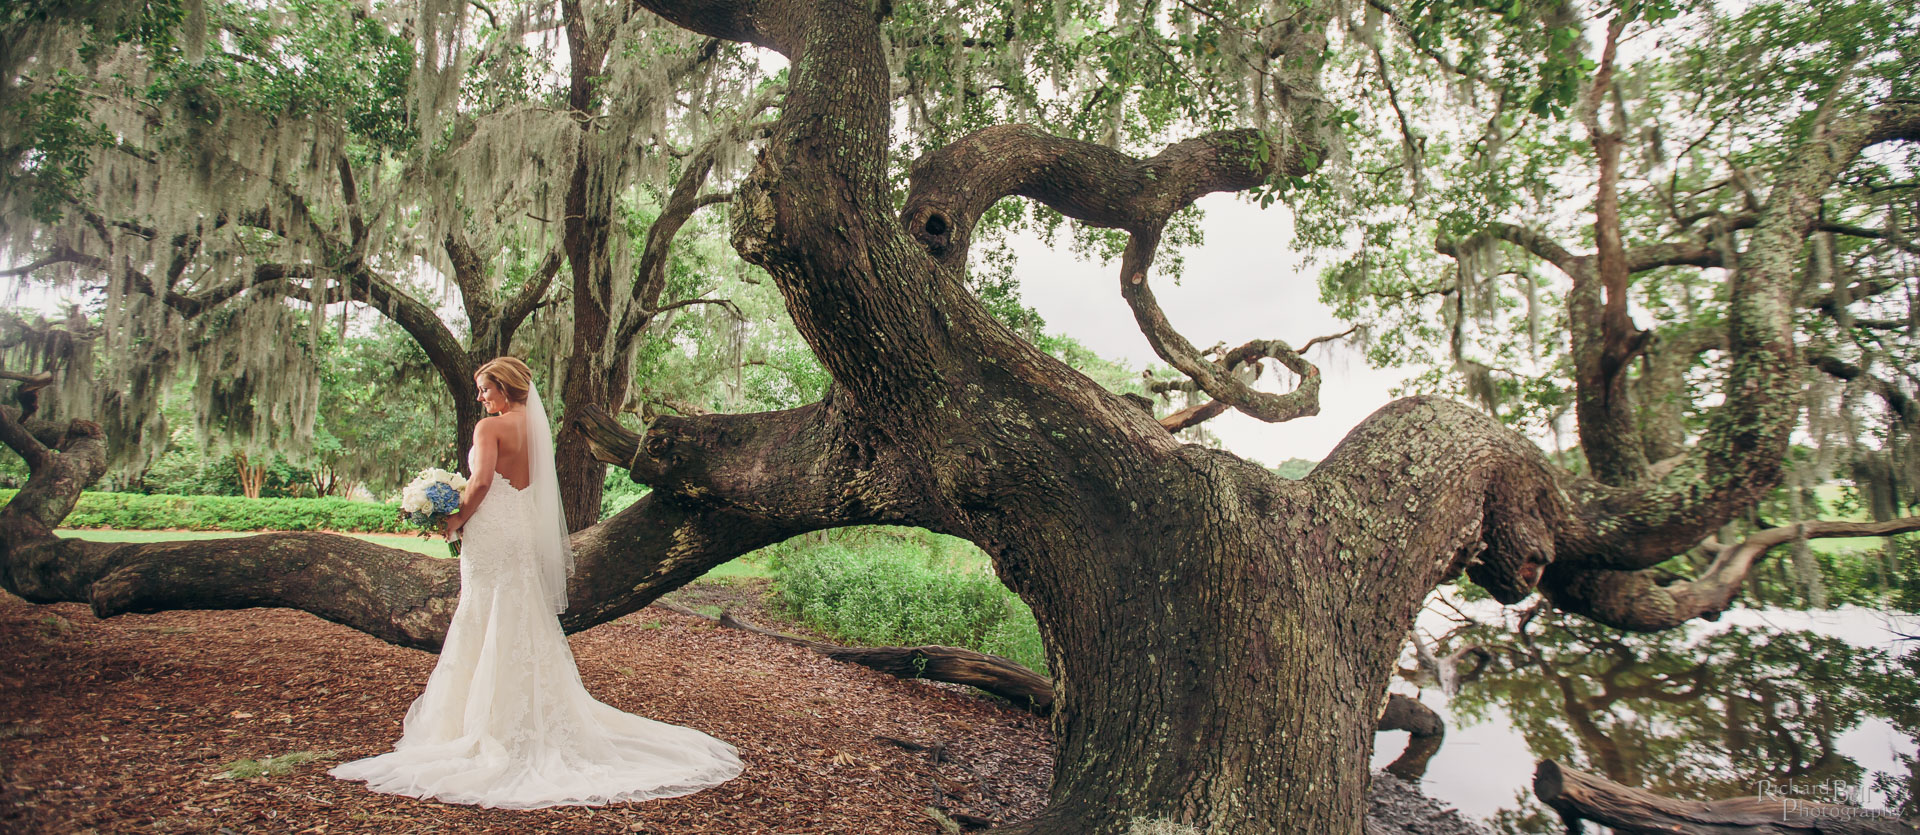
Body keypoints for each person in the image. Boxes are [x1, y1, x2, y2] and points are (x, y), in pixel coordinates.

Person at [330, 356, 742, 808]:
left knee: (482, 614)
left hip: (490, 532)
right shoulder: (536, 428)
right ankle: (519, 714)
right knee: (516, 613)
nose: (482, 398)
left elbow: (482, 482)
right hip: (520, 530)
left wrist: (453, 521)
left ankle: (480, 724)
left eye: (486, 390)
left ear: (505, 389)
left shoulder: (491, 428)